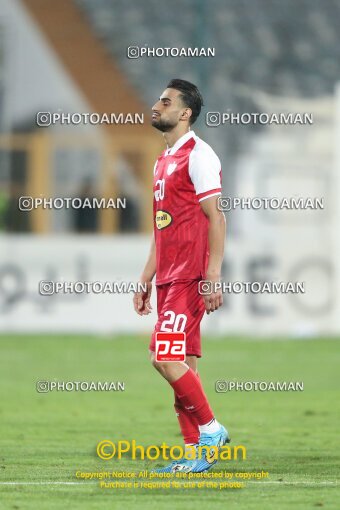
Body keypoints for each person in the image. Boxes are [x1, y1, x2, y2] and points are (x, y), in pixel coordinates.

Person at [133, 79, 229, 473]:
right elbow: (162, 228)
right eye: (159, 98)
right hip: (168, 278)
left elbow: (216, 217)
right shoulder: (163, 159)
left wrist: (212, 276)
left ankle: (211, 428)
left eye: (166, 101)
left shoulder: (198, 155)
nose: (157, 105)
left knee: (164, 357)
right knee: (183, 368)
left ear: (185, 113)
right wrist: (144, 280)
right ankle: (195, 454)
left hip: (190, 277)